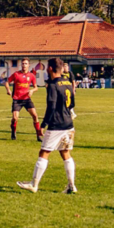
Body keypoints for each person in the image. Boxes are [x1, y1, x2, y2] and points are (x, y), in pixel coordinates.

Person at [17, 58, 77, 194]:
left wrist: (43, 124)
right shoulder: (67, 83)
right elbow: (72, 103)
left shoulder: (52, 85)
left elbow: (52, 106)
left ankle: (34, 184)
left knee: (44, 152)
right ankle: (71, 185)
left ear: (50, 68)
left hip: (56, 125)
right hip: (68, 124)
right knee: (65, 153)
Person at [5, 58, 43, 141]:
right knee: (15, 118)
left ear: (28, 65)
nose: (24, 65)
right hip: (17, 99)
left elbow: (36, 87)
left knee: (35, 115)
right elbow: (7, 82)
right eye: (23, 63)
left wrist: (32, 90)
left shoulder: (32, 76)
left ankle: (38, 135)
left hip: (27, 99)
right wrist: (8, 90)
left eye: (26, 63)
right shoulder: (16, 74)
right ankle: (13, 131)